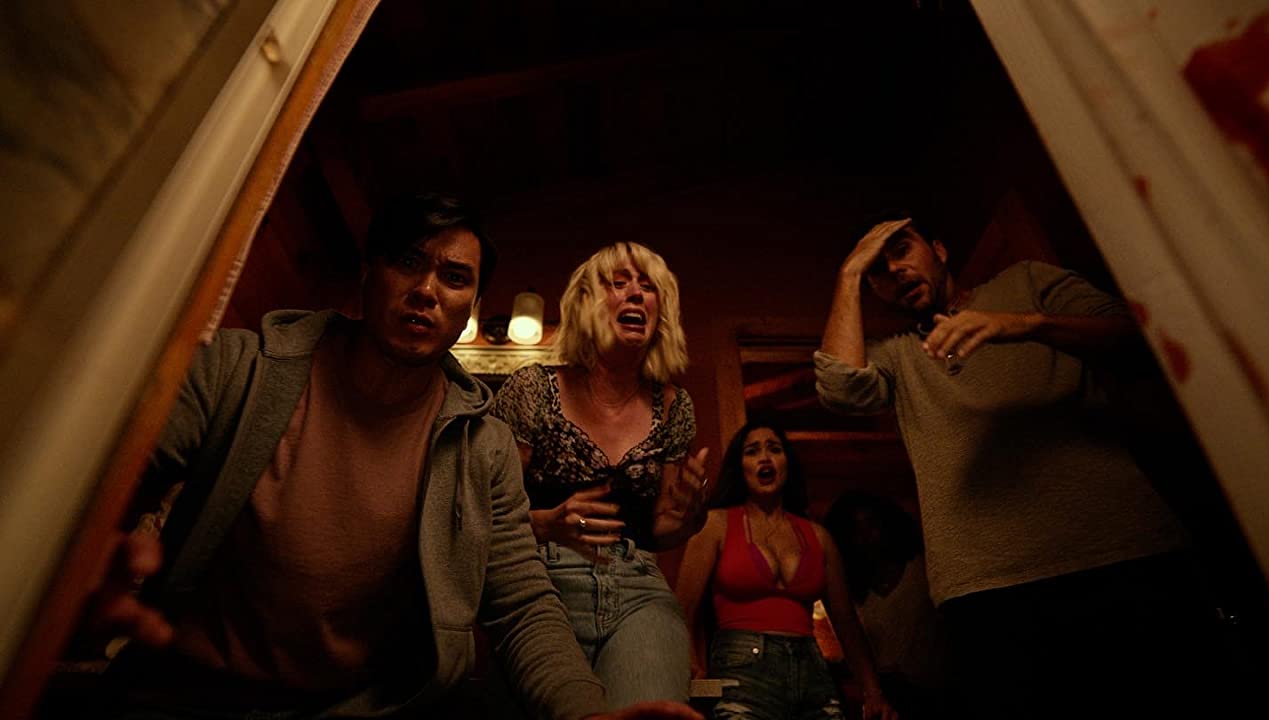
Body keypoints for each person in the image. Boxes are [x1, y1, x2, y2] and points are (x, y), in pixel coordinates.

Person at [83, 193, 700, 720]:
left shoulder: (478, 443)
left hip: (358, 708)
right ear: (368, 272)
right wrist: (77, 551)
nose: (426, 290)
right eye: (408, 263)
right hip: (181, 695)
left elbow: (519, 600)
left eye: (454, 278)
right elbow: (111, 473)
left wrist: (584, 713)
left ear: (469, 304)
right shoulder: (240, 369)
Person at [814, 209, 1228, 718]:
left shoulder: (1027, 282)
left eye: (901, 250)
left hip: (1122, 552)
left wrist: (1026, 324)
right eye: (877, 269)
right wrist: (849, 274)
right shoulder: (896, 356)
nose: (894, 270)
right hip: (985, 588)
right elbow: (839, 389)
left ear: (939, 249)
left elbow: (1139, 340)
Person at [491, 241, 708, 710]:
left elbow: (660, 530)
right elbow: (484, 515)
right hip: (541, 583)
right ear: (586, 303)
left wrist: (689, 518)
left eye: (648, 286)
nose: (636, 294)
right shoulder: (533, 388)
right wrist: (545, 524)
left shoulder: (675, 405)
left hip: (639, 589)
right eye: (618, 283)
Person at [673, 419, 896, 720]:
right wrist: (690, 664)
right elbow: (683, 607)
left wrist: (873, 692)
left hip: (812, 670)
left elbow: (846, 623)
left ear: (787, 462)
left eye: (774, 449)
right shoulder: (716, 525)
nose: (764, 457)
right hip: (743, 670)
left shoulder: (818, 536)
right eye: (752, 451)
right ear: (740, 467)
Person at [823, 492, 948, 720]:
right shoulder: (849, 593)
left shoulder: (922, 571)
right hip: (885, 697)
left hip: (937, 691)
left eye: (872, 524)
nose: (866, 536)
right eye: (856, 530)